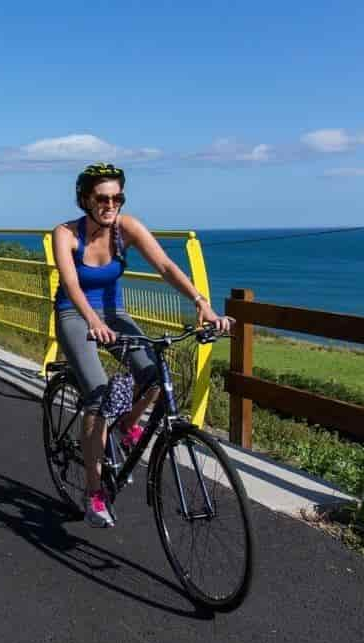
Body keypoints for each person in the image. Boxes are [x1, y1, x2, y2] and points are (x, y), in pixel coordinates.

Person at [52, 163, 231, 528]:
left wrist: (201, 303)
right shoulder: (66, 234)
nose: (111, 204)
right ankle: (94, 493)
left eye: (117, 197)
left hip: (114, 312)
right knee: (99, 396)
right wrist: (93, 321)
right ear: (86, 199)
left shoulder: (126, 228)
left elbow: (164, 265)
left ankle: (127, 425)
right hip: (75, 314)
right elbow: (71, 285)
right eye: (102, 198)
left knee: (153, 376)